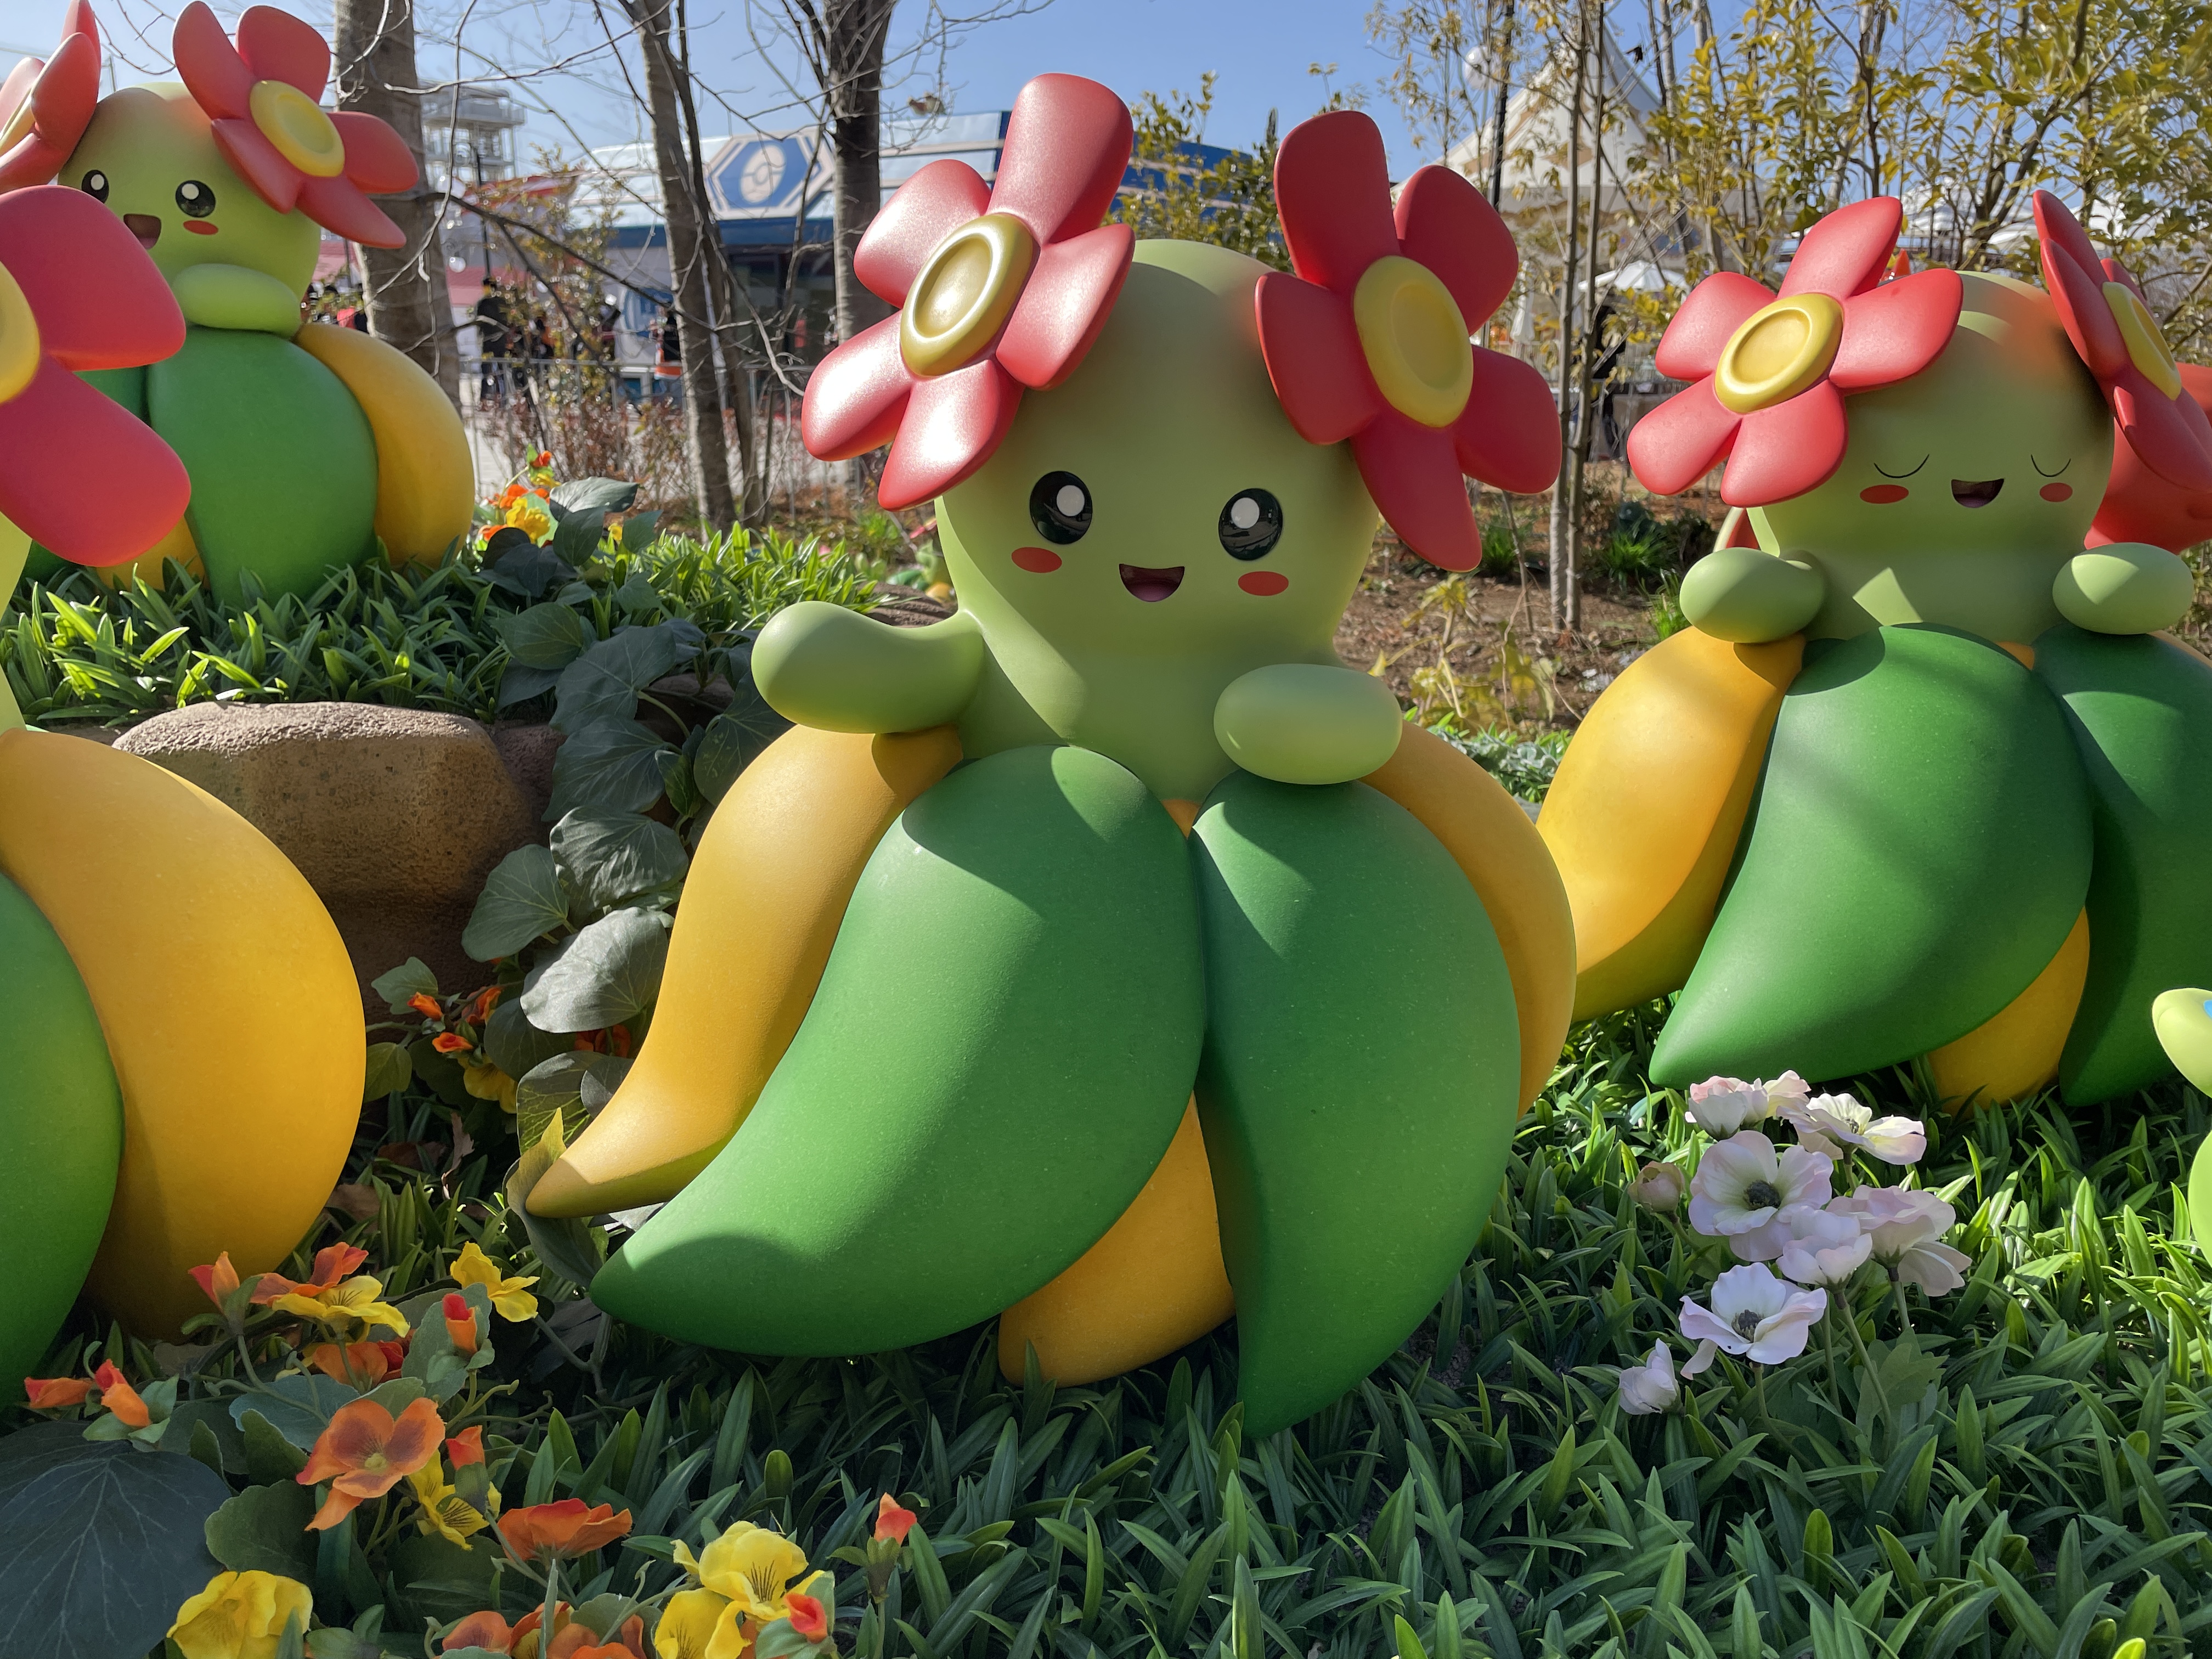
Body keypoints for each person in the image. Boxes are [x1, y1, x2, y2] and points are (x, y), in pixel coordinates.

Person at [473, 276, 511, 403]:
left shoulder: (500, 302)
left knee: (501, 371)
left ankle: (503, 399)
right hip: (488, 341)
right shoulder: (484, 303)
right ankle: (484, 399)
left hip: (498, 342)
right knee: (486, 370)